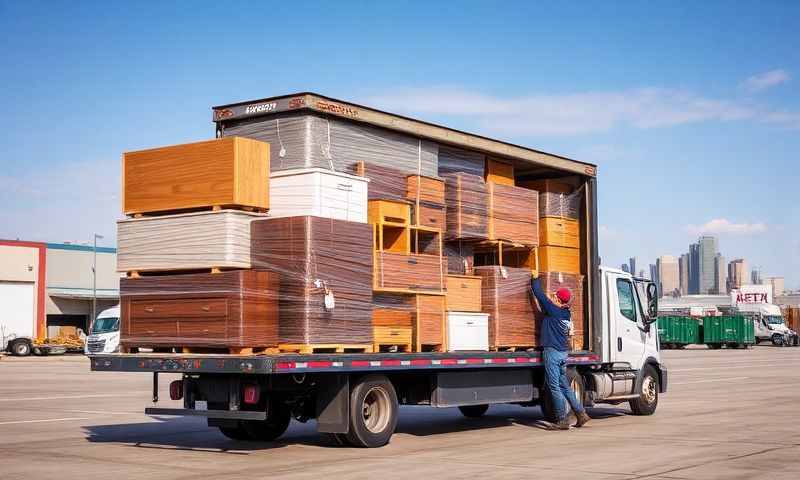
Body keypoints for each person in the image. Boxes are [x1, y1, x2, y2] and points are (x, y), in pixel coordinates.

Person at [530, 271, 591, 430]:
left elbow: (539, 295)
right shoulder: (565, 313)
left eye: (555, 296)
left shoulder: (554, 311)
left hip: (553, 353)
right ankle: (581, 413)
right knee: (564, 386)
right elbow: (547, 302)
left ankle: (561, 419)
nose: (553, 297)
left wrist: (535, 278)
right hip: (563, 354)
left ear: (558, 299)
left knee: (554, 386)